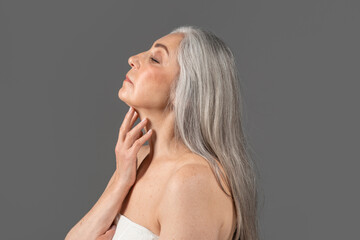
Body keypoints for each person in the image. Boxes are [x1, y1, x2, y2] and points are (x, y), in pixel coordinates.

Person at [65, 25, 259, 240]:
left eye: (155, 59)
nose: (133, 58)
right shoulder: (136, 159)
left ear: (187, 92)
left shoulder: (191, 181)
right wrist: (121, 180)